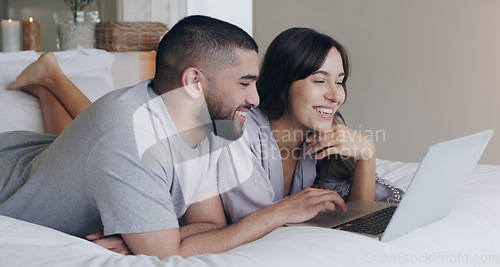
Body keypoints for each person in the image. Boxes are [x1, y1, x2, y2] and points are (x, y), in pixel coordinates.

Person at [0, 16, 346, 259]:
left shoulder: (208, 122)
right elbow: (167, 254)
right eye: (244, 83)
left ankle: (46, 83)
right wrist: (276, 213)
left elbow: (210, 223)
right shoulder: (130, 138)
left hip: (35, 155)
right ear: (194, 82)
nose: (256, 99)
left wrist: (154, 237)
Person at [219, 27, 388, 224]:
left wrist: (368, 154)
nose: (335, 97)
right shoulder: (240, 132)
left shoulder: (319, 135)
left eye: (340, 82)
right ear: (281, 86)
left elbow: (359, 219)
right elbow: (251, 225)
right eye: (319, 80)